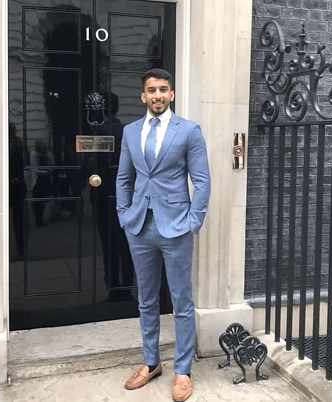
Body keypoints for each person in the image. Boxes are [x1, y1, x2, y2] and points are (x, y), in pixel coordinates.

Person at [116, 68, 211, 401]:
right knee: (146, 299)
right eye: (152, 90)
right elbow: (124, 178)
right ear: (143, 95)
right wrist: (124, 214)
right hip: (139, 226)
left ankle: (182, 370)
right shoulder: (130, 132)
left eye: (163, 89)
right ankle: (151, 362)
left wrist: (193, 221)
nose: (157, 95)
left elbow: (202, 182)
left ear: (171, 94)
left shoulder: (189, 130)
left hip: (176, 227)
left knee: (181, 302)